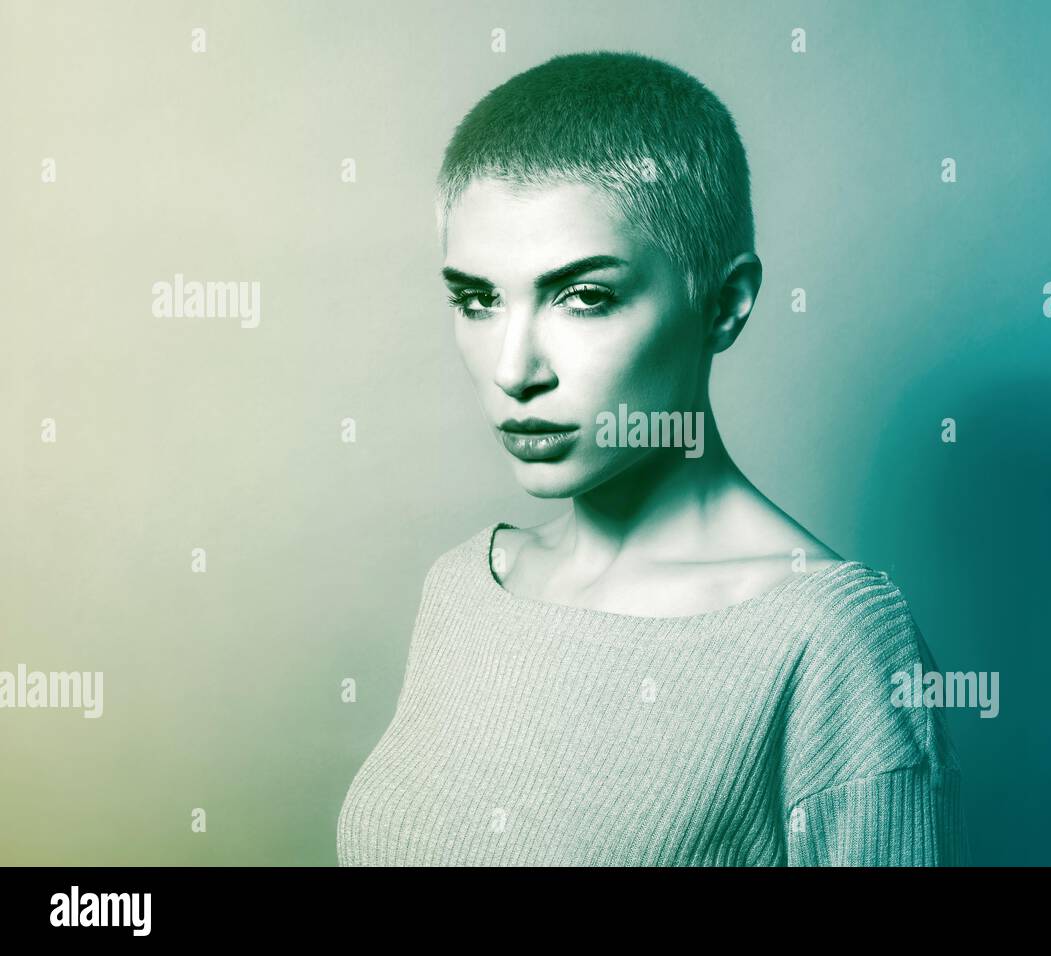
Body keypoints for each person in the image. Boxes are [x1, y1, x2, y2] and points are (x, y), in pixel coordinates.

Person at [337, 50, 969, 866]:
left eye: (585, 297)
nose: (513, 369)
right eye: (478, 299)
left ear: (724, 304)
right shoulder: (462, 589)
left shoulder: (830, 642)